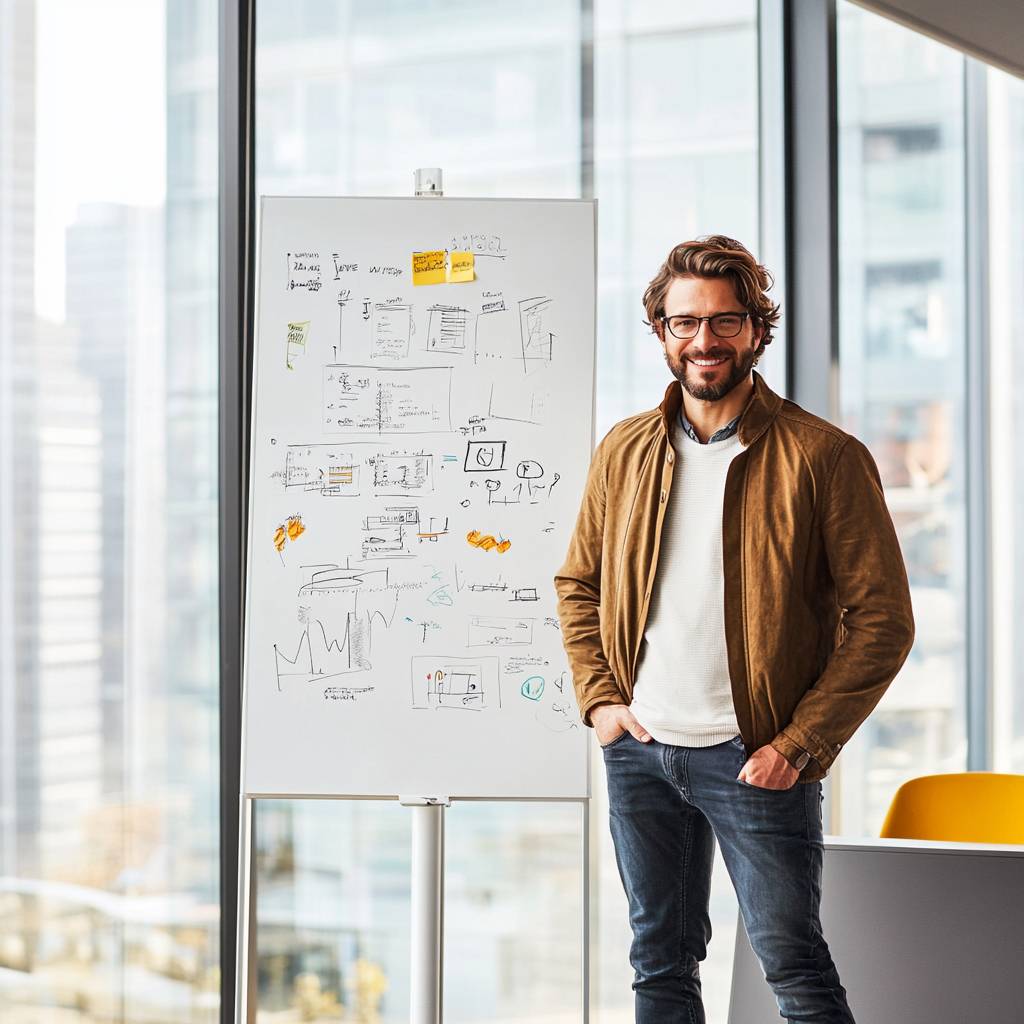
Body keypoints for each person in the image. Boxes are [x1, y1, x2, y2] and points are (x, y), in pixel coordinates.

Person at [554, 235, 914, 1023]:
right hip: (641, 752)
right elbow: (578, 583)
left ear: (756, 329)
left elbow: (883, 621)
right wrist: (602, 703)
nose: (703, 342)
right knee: (659, 965)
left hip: (755, 755)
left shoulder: (823, 457)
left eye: (723, 322)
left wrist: (801, 744)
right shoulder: (625, 451)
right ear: (660, 333)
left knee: (793, 967)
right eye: (684, 324)